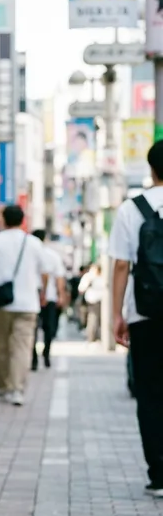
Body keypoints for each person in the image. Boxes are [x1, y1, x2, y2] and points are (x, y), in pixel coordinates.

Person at [109, 140, 163, 496]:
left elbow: (121, 265)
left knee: (149, 392)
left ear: (151, 168)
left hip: (146, 315)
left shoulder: (132, 209)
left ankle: (158, 473)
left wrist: (117, 314)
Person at [0, 205, 49, 407]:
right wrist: (42, 292)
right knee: (22, 348)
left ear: (3, 219)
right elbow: (44, 272)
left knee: (3, 347)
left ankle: (2, 388)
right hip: (28, 304)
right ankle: (17, 390)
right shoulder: (34, 243)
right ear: (23, 220)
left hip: (2, 304)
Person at [31, 230, 67, 370]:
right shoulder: (52, 255)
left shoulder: (29, 255)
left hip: (32, 296)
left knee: (32, 329)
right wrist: (60, 295)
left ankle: (33, 358)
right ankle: (46, 355)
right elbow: (59, 278)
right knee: (49, 328)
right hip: (50, 296)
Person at [79, 263, 104, 342]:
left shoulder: (102, 276)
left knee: (99, 319)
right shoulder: (89, 277)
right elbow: (81, 289)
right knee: (93, 319)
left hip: (102, 300)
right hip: (92, 300)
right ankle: (91, 337)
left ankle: (98, 336)